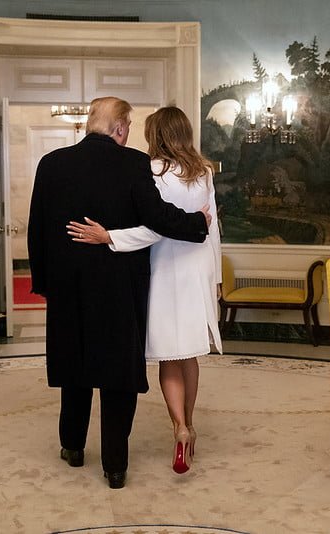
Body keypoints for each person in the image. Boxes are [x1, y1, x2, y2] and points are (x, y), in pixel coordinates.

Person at [27, 96, 211, 489]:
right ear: (121, 127)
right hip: (118, 290)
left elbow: (36, 232)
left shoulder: (51, 164)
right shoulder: (133, 164)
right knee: (117, 378)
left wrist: (44, 284)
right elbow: (157, 219)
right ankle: (114, 466)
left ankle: (73, 447)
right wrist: (198, 222)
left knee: (74, 370)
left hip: (68, 289)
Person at [67, 106, 222, 475]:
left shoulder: (149, 170)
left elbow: (158, 227)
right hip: (197, 270)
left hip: (165, 270)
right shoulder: (204, 172)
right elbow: (212, 229)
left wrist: (110, 237)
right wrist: (215, 280)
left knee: (170, 355)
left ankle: (179, 427)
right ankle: (190, 425)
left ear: (156, 135)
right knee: (190, 356)